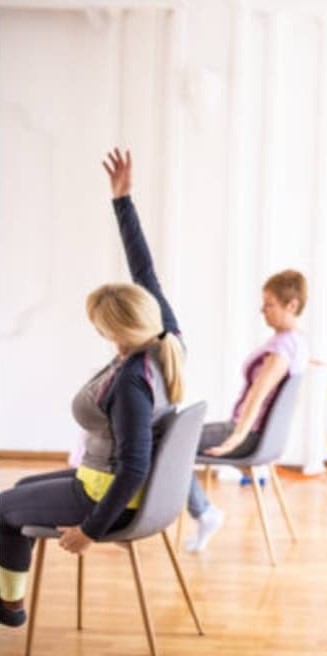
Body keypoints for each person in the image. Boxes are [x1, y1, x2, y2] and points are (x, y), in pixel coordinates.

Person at [0, 148, 185, 627]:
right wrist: (123, 201)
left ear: (116, 331)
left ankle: (9, 609)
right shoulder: (165, 339)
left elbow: (134, 466)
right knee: (20, 486)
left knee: (1, 507)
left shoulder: (131, 382)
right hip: (109, 487)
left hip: (105, 499)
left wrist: (88, 530)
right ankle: (10, 598)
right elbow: (144, 273)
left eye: (99, 326)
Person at [183, 268, 309, 553]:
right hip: (258, 436)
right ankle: (203, 511)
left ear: (292, 305)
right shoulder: (299, 342)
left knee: (166, 445)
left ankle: (204, 512)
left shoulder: (282, 348)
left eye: (269, 305)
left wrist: (238, 438)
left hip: (245, 431)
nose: (262, 311)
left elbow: (258, 394)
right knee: (170, 441)